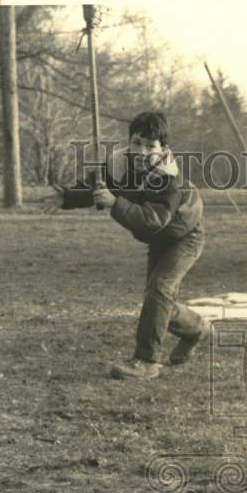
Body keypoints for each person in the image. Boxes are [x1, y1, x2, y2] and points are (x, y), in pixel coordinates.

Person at [92, 111, 208, 380]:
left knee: (159, 291)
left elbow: (152, 220)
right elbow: (98, 184)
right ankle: (196, 329)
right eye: (136, 143)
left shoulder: (169, 178)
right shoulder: (123, 162)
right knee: (159, 298)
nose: (142, 151)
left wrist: (115, 202)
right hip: (159, 239)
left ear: (163, 149)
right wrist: (67, 196)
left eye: (150, 145)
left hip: (184, 238)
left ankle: (146, 362)